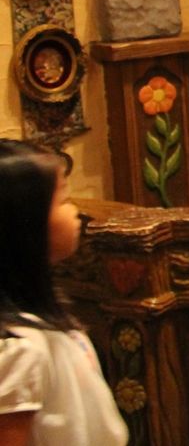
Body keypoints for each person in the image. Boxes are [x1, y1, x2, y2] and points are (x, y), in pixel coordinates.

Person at [0, 141, 127, 446]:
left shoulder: (40, 325)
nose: (75, 212)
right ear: (23, 226)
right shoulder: (21, 349)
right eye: (63, 200)